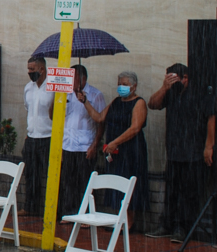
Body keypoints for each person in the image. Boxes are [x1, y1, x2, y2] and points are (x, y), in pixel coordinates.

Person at [147, 63, 217, 242]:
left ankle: (183, 227)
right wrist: (165, 87)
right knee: (172, 190)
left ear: (186, 78)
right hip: (174, 151)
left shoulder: (200, 92)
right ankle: (167, 224)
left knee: (189, 192)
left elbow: (212, 118)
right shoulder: (170, 92)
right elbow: (153, 104)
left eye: (175, 78)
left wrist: (208, 146)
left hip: (193, 151)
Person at [83, 71, 149, 230]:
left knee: (129, 181)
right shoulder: (116, 101)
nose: (121, 87)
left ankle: (129, 221)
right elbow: (100, 118)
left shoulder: (139, 103)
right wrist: (85, 102)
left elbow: (135, 127)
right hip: (114, 151)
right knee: (116, 181)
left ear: (134, 86)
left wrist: (116, 142)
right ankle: (119, 217)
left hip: (131, 150)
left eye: (125, 84)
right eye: (119, 84)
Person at [54, 64, 105, 219]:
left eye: (73, 77)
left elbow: (101, 123)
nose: (70, 80)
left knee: (85, 182)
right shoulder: (65, 94)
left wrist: (95, 145)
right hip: (67, 145)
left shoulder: (95, 95)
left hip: (85, 146)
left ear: (83, 79)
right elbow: (56, 118)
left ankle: (87, 214)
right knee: (68, 182)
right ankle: (69, 213)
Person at [23, 56, 55, 215]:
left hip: (48, 137)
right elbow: (28, 109)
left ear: (42, 69)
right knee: (31, 174)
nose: (29, 72)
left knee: (50, 175)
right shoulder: (28, 88)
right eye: (28, 69)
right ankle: (30, 207)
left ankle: (51, 209)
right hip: (32, 137)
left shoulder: (53, 87)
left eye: (32, 69)